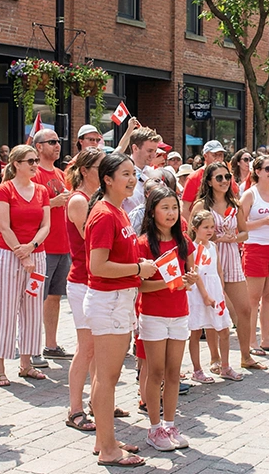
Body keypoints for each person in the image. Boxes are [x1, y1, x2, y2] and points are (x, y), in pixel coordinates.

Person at [85, 153, 155, 467]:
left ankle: (105, 439)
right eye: (124, 174)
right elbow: (97, 266)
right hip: (109, 301)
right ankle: (109, 450)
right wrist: (138, 268)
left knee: (105, 375)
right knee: (108, 377)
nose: (131, 179)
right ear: (107, 179)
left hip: (118, 300)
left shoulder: (118, 210)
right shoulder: (104, 214)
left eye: (133, 174)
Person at [137, 187, 196, 451]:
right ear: (152, 211)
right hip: (152, 315)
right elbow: (140, 285)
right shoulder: (142, 244)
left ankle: (170, 424)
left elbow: (191, 274)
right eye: (165, 208)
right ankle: (153, 428)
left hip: (179, 313)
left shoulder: (183, 240)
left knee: (174, 372)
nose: (171, 213)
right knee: (155, 371)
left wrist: (191, 280)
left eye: (174, 207)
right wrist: (168, 283)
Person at [189, 162, 263, 371]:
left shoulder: (235, 204)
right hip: (209, 262)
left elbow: (245, 233)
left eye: (227, 177)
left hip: (231, 258)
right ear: (209, 181)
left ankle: (246, 356)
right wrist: (213, 239)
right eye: (219, 177)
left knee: (245, 309)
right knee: (215, 311)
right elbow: (190, 236)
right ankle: (215, 359)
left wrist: (233, 238)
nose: (224, 181)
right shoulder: (201, 206)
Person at [0, 145, 51, 386]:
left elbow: (46, 225)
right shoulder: (4, 189)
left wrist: (31, 247)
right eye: (30, 160)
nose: (35, 164)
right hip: (8, 254)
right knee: (5, 309)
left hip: (37, 253)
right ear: (16, 164)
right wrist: (22, 254)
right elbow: (4, 226)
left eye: (36, 160)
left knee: (33, 309)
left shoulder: (42, 190)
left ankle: (26, 363)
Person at [64, 148, 103, 432]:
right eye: (102, 167)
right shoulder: (79, 200)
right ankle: (74, 409)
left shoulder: (97, 198)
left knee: (102, 348)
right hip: (82, 280)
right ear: (87, 170)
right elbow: (93, 242)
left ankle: (98, 400)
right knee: (86, 348)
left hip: (99, 281)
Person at [32, 129, 75, 365]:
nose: (57, 145)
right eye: (51, 142)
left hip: (63, 244)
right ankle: (32, 346)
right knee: (36, 298)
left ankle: (51, 344)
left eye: (58, 141)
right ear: (39, 147)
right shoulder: (34, 173)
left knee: (55, 297)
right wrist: (52, 201)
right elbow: (26, 205)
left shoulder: (60, 173)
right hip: (43, 245)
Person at [240, 154, 269, 354]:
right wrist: (261, 222)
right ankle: (251, 341)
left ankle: (266, 338)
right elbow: (239, 226)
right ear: (257, 172)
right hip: (256, 246)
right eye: (267, 168)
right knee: (253, 298)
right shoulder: (250, 194)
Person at [186, 211, 241, 382]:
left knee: (223, 329)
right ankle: (197, 369)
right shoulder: (192, 249)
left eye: (212, 227)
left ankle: (225, 366)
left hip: (215, 291)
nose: (210, 231)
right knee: (195, 331)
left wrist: (221, 289)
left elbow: (218, 270)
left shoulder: (213, 246)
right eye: (205, 227)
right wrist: (205, 295)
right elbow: (195, 273)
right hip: (198, 293)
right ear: (195, 228)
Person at [181, 140, 229, 219]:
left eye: (220, 155)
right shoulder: (194, 177)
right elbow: (185, 208)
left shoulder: (227, 175)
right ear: (205, 156)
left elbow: (234, 199)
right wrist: (196, 227)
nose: (218, 158)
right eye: (215, 155)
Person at [122, 126, 160, 215]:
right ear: (135, 148)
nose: (153, 155)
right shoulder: (120, 173)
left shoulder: (154, 174)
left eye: (155, 151)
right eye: (149, 151)